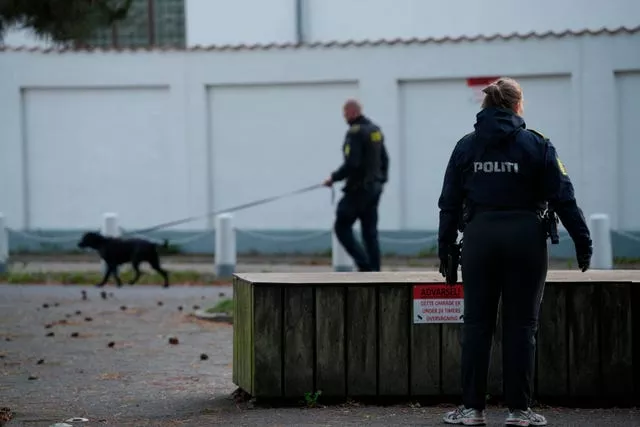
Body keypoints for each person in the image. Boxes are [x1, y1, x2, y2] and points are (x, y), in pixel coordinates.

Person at [437, 77, 592, 426]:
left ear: (487, 106)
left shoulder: (466, 147)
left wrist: (445, 247)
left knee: (477, 324)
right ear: (518, 105)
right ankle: (519, 411)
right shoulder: (537, 145)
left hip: (479, 238)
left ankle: (472, 410)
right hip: (526, 240)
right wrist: (583, 242)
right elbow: (564, 197)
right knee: (522, 325)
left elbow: (448, 203)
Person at [323, 99, 389, 272]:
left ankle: (365, 266)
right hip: (374, 189)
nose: (344, 117)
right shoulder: (375, 130)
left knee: (341, 226)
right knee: (369, 232)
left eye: (345, 114)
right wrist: (381, 181)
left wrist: (333, 178)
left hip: (359, 189)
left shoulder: (355, 132)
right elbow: (385, 159)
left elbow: (353, 164)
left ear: (352, 112)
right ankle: (375, 270)